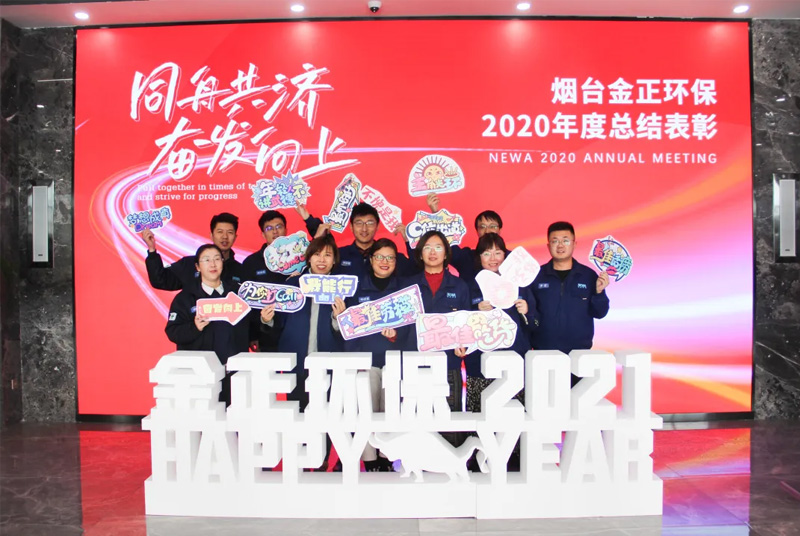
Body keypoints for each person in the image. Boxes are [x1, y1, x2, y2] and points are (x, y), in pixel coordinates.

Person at [164, 244, 264, 405]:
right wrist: (194, 327)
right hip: (200, 374)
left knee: (233, 415)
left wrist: (265, 320)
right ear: (197, 267)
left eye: (217, 259)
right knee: (203, 416)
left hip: (234, 372)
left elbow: (253, 322)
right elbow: (173, 332)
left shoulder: (238, 293)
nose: (213, 264)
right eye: (207, 260)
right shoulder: (185, 298)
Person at [343, 238, 412, 471]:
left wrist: (396, 334)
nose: (385, 262)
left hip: (393, 362)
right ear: (371, 259)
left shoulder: (404, 290)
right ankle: (370, 462)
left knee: (391, 413)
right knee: (365, 413)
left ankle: (387, 459)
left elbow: (411, 326)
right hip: (366, 362)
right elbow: (349, 328)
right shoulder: (356, 289)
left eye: (390, 257)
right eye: (380, 257)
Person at [529, 221, 610, 384]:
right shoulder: (536, 276)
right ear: (548, 245)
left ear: (574, 243)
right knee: (545, 399)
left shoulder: (588, 276)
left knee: (577, 399)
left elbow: (600, 313)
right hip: (543, 355)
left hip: (579, 357)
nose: (560, 245)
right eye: (555, 241)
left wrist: (599, 293)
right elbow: (530, 315)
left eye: (565, 240)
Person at [466, 233, 538, 413]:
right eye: (486, 253)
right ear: (479, 257)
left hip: (514, 362)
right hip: (480, 364)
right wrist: (475, 310)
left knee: (514, 417)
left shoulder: (520, 284)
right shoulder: (469, 285)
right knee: (480, 417)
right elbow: (461, 324)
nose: (493, 259)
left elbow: (535, 325)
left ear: (505, 256)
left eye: (498, 253)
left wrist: (527, 312)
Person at [403, 230, 471, 413]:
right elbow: (401, 327)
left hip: (448, 364)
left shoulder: (460, 286)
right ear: (420, 253)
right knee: (414, 418)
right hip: (414, 363)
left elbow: (467, 325)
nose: (433, 252)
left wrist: (464, 345)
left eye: (438, 247)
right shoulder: (408, 286)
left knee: (449, 420)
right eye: (427, 247)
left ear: (446, 254)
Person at [296, 202, 413, 278]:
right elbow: (312, 274)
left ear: (377, 226)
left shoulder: (389, 257)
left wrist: (409, 241)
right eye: (359, 223)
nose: (364, 229)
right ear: (351, 227)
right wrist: (316, 236)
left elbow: (417, 271)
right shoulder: (338, 255)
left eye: (370, 223)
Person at [142, 212, 242, 291]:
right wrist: (152, 250)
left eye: (230, 232)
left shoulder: (241, 270)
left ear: (235, 237)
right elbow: (160, 280)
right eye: (220, 232)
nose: (225, 237)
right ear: (211, 235)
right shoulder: (189, 264)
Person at [424, 193, 503, 283]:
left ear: (500, 230)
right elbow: (447, 243)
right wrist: (436, 213)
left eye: (492, 226)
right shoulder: (466, 257)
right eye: (482, 227)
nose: (487, 231)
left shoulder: (511, 258)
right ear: (477, 231)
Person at [240, 210, 290, 284]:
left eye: (279, 227)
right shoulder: (251, 263)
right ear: (263, 234)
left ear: (286, 231)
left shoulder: (297, 256)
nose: (275, 231)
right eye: (269, 228)